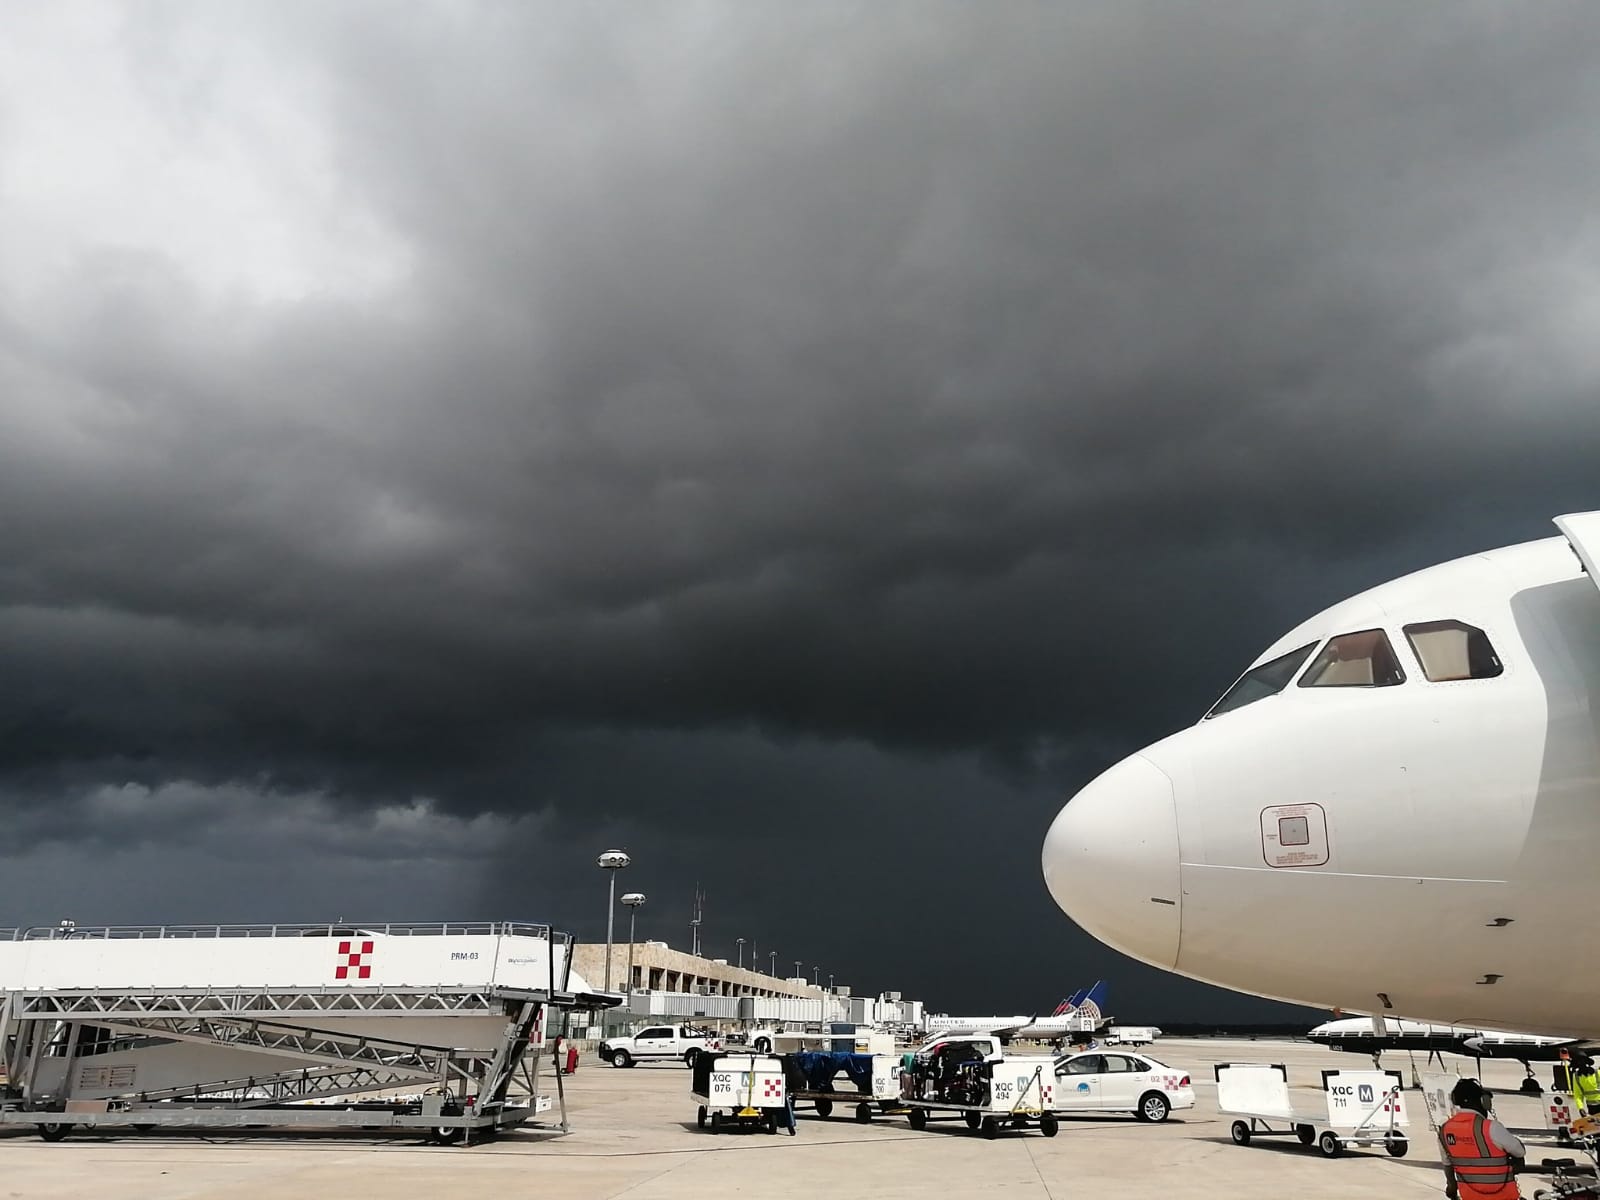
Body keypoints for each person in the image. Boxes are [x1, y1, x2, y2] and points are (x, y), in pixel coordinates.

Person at [1440, 1078, 1524, 1199]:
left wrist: (1452, 1188)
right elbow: (1519, 1151)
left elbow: (1447, 1165)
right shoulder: (1491, 1127)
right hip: (1503, 1196)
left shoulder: (1445, 1130)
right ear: (1483, 1101)